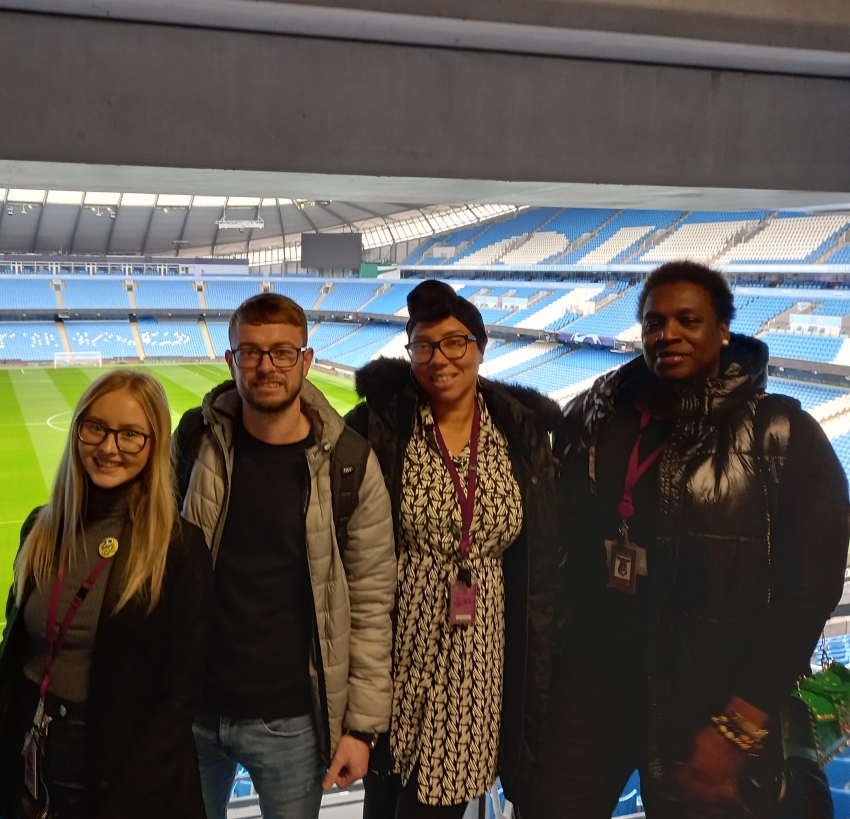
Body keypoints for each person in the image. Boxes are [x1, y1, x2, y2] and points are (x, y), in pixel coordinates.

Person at [526, 261, 850, 819]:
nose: (668, 333)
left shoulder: (783, 434)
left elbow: (809, 593)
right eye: (654, 322)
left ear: (723, 330)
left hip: (707, 702)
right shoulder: (597, 416)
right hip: (591, 687)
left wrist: (740, 723)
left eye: (688, 320)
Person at [344, 279, 562, 818]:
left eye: (454, 342)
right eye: (423, 346)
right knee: (382, 801)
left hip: (479, 658)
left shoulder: (519, 434)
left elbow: (543, 555)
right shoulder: (384, 425)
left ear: (479, 348)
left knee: (437, 806)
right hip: (396, 646)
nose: (439, 358)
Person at [174, 292, 396, 819]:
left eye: (282, 352)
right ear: (230, 360)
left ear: (306, 360)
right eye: (250, 351)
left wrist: (361, 729)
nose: (266, 366)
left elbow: (371, 605)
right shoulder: (195, 440)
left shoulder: (349, 464)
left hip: (292, 722)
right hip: (193, 708)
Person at [0, 369, 212, 819]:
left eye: (130, 434)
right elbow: (12, 656)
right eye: (96, 427)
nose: (108, 447)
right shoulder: (41, 529)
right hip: (32, 762)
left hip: (124, 778)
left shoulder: (179, 549)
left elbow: (179, 698)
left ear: (154, 445)